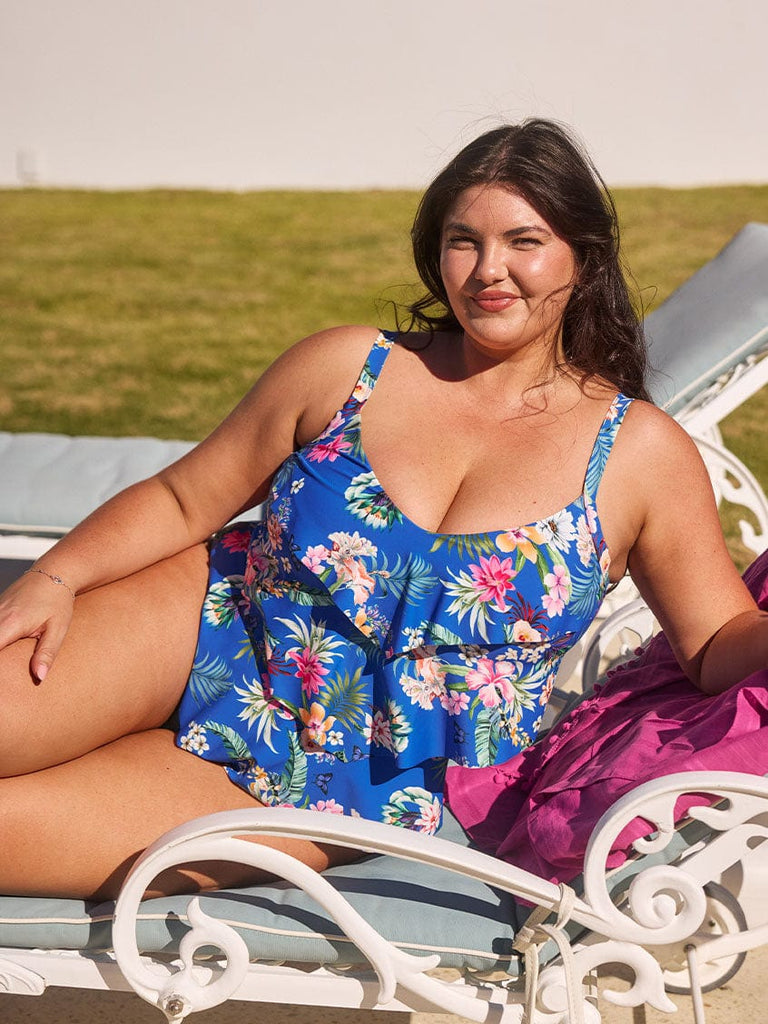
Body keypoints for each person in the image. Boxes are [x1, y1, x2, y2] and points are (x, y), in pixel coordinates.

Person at [0, 119, 765, 903]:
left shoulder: (638, 454)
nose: (488, 271)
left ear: (584, 257)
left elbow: (715, 642)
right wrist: (55, 579)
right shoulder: (347, 367)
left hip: (338, 776)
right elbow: (183, 497)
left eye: (524, 242)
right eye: (463, 241)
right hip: (211, 618)